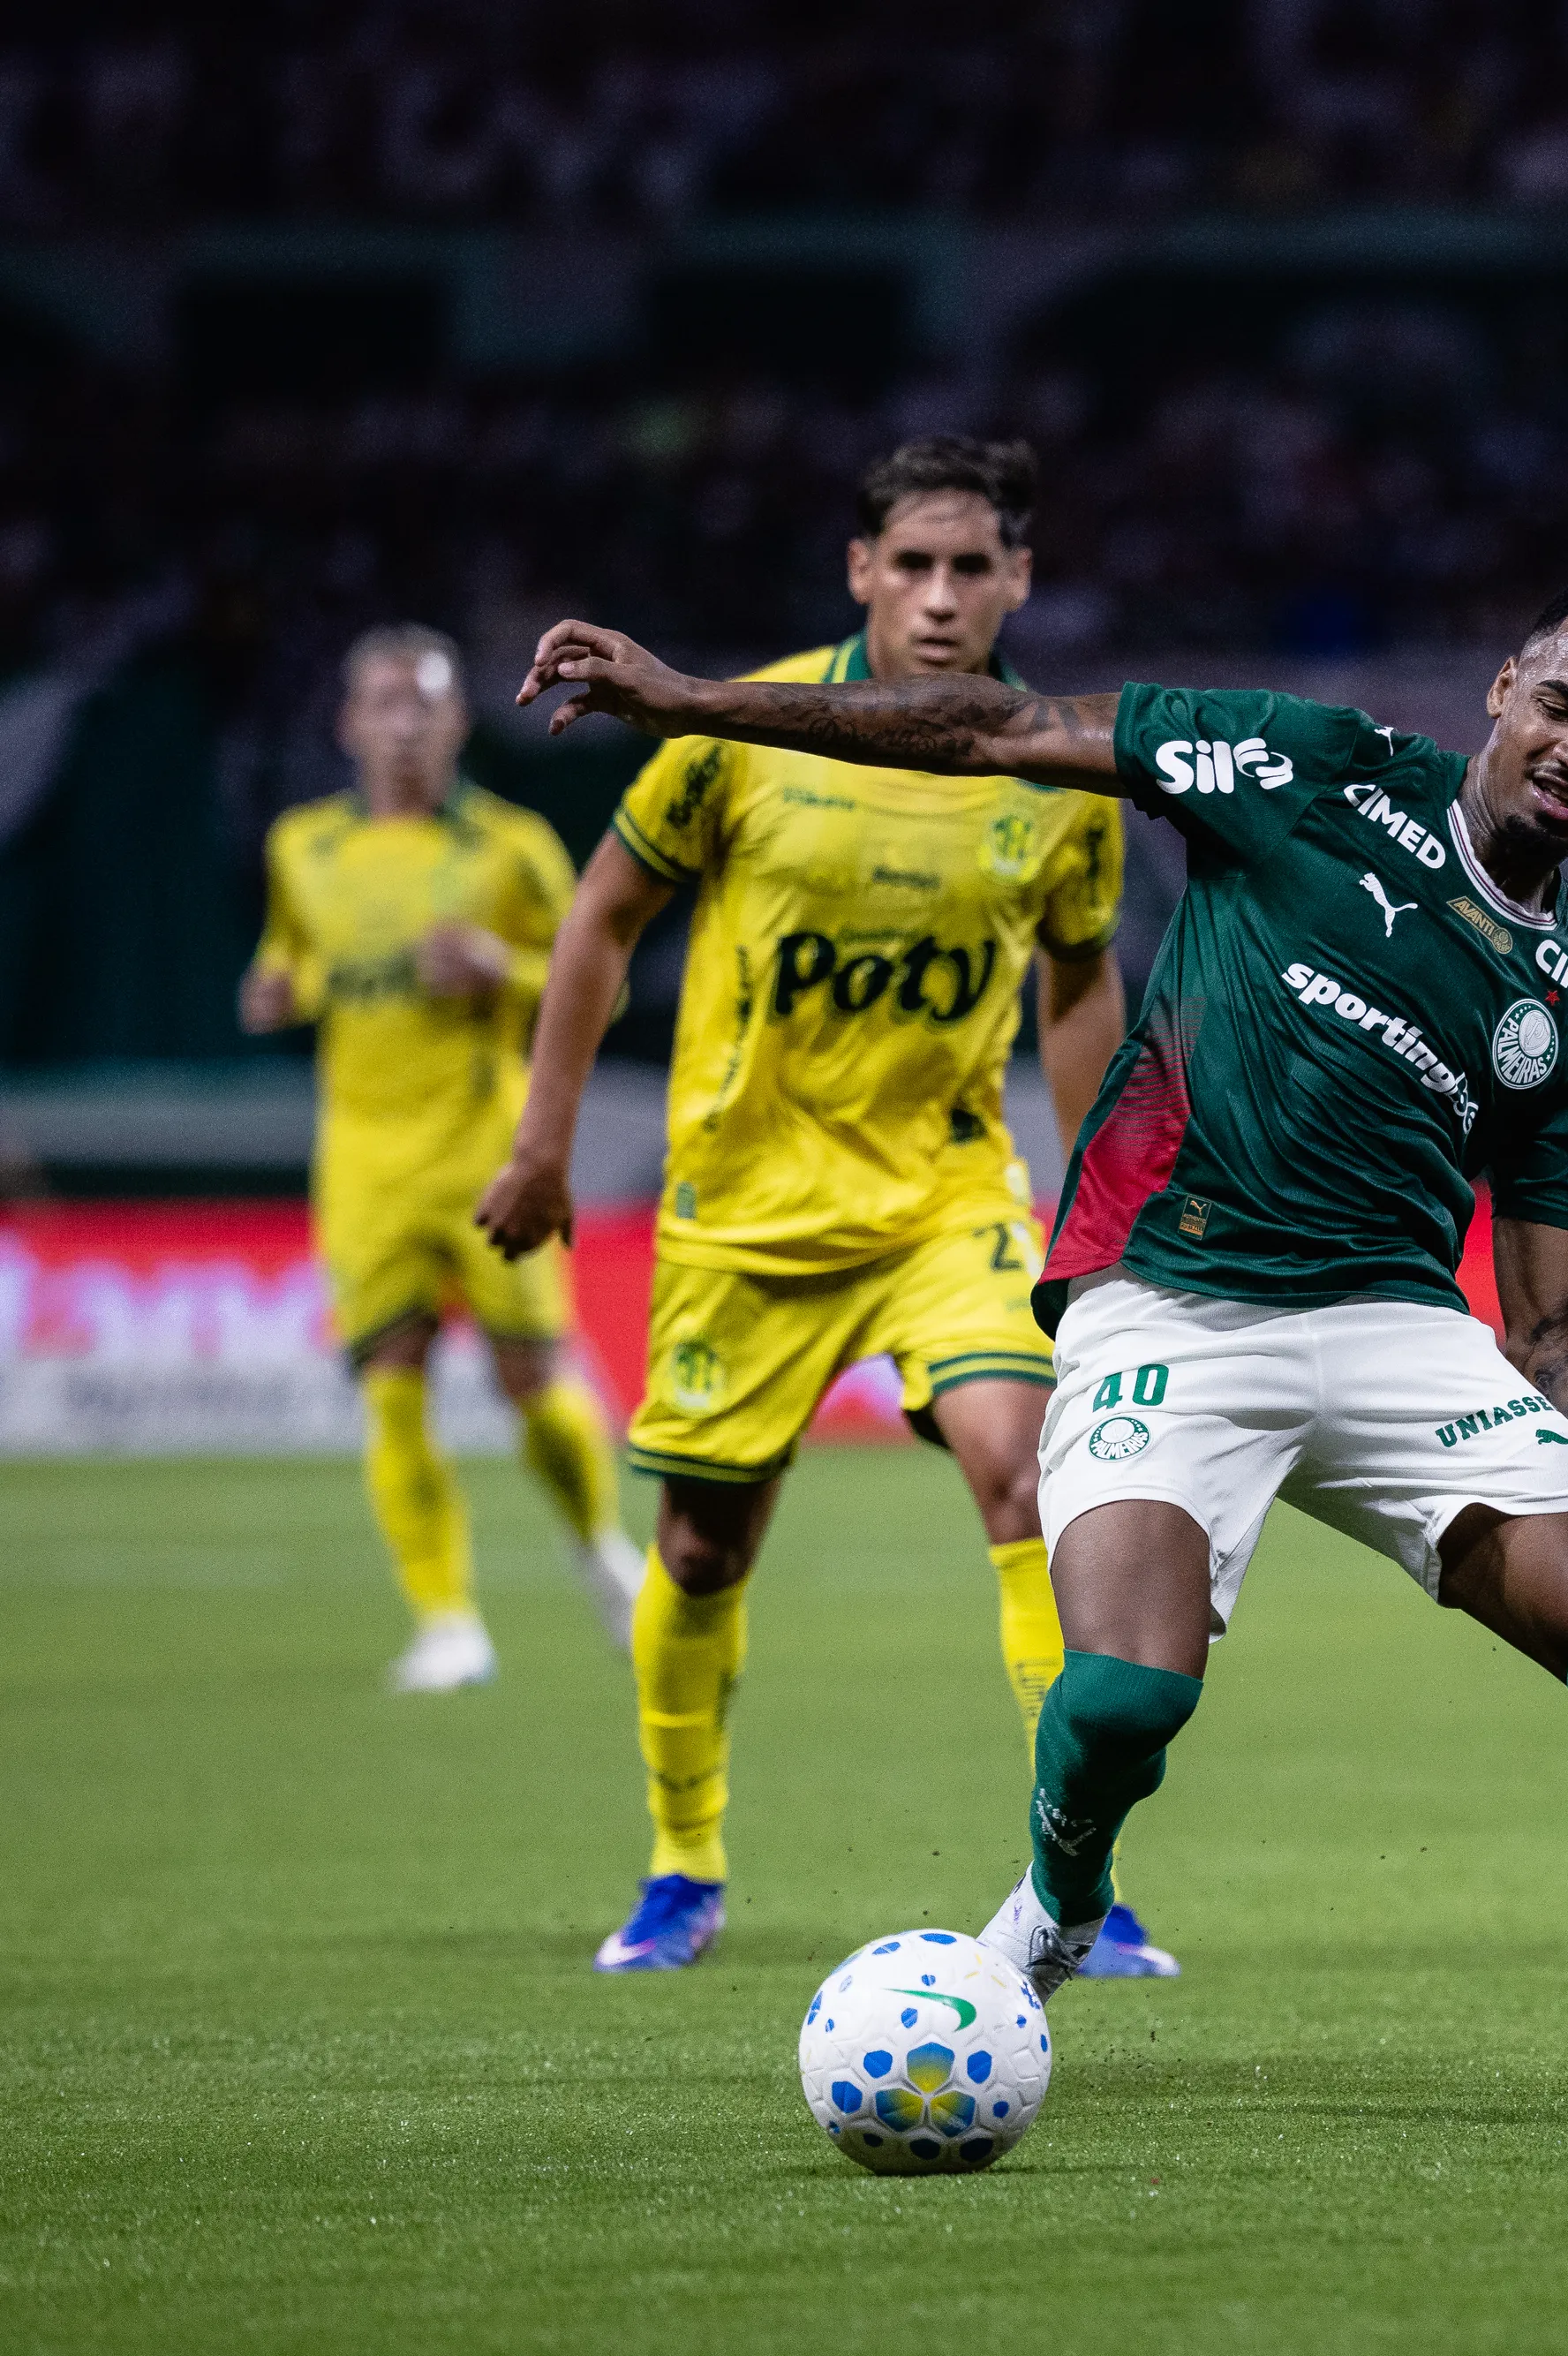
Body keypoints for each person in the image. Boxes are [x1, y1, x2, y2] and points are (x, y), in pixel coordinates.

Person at [510, 575, 1568, 2107]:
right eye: (1561, 703)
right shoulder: (1306, 770)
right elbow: (996, 729)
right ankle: (1058, 1904)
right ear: (1501, 691)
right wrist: (691, 699)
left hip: (1400, 1332)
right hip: (1170, 1299)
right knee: (1125, 1700)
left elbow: (1548, 1321)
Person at [479, 438, 1176, 1982]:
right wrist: (540, 1144)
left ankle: (1076, 1881)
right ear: (860, 573)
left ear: (1021, 579)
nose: (940, 597)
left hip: (945, 1195)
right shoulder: (742, 733)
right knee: (706, 1546)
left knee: (1026, 1471)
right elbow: (601, 918)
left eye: (971, 566)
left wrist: (1095, 1207)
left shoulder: (1055, 770)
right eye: (910, 565)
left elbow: (1076, 986)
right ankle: (683, 1863)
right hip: (747, 1206)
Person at [244, 625, 642, 1693]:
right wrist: (276, 985)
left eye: (424, 703)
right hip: (363, 1158)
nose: (404, 723)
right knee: (391, 1380)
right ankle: (447, 1621)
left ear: (458, 721)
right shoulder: (302, 847)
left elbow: (600, 979)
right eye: (384, 702)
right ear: (349, 723)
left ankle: (601, 1545)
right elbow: (294, 954)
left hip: (486, 1149)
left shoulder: (509, 847)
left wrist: (504, 969)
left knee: (529, 1380)